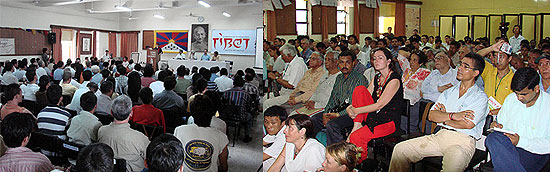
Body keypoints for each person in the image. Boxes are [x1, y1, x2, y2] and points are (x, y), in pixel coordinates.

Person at [389, 53, 489, 172]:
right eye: (460, 64)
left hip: (462, 141)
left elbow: (468, 124)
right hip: (440, 135)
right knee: (400, 150)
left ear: (475, 73)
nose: (460, 68)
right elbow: (432, 116)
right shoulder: (449, 92)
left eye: (465, 66)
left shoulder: (480, 97)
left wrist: (444, 119)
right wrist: (453, 116)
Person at [485, 67, 550, 172]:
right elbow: (502, 124)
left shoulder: (548, 105)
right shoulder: (511, 99)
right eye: (517, 93)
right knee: (493, 138)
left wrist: (520, 142)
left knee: (504, 161)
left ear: (536, 89)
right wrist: (497, 126)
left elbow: (548, 144)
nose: (519, 98)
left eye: (523, 94)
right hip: (507, 147)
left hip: (534, 152)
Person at [345, 48, 404, 162]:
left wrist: (356, 111)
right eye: (374, 58)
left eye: (380, 58)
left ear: (389, 61)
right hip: (375, 116)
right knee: (359, 89)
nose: (376, 61)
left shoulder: (394, 80)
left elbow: (379, 105)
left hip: (388, 121)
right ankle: (357, 125)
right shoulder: (377, 77)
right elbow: (363, 97)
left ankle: (360, 164)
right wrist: (350, 107)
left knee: (356, 137)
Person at [311, 50, 367, 145]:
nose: (344, 65)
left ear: (353, 63)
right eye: (341, 62)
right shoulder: (339, 78)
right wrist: (326, 113)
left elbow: (354, 104)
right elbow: (333, 98)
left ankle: (338, 153)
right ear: (338, 63)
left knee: (332, 125)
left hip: (353, 113)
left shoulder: (359, 78)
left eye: (348, 62)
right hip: (337, 110)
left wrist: (337, 115)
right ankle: (314, 148)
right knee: (314, 119)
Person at [174, 94, 229, 172]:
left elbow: (175, 158)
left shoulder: (179, 130)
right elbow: (224, 167)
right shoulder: (221, 137)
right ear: (213, 112)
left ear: (192, 113)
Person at [98, 95, 150, 172]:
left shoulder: (101, 131)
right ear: (131, 113)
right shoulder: (140, 138)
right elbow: (149, 157)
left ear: (111, 112)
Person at [477, 40, 515, 115]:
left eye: (501, 56)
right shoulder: (489, 70)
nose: (498, 60)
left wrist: (491, 112)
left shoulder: (514, 78)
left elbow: (513, 105)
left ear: (509, 59)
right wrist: (491, 48)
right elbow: (476, 58)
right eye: (495, 56)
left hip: (504, 115)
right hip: (484, 113)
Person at [399, 50, 431, 132]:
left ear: (420, 63)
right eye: (410, 60)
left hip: (414, 103)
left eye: (415, 60)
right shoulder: (407, 70)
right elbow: (400, 54)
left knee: (409, 126)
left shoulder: (425, 72)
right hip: (402, 101)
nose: (411, 62)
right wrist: (413, 54)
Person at [222, 76, 253, 142]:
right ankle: (247, 136)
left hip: (227, 116)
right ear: (242, 84)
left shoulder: (226, 93)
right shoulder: (246, 94)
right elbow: (249, 107)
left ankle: (226, 134)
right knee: (250, 117)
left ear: (233, 83)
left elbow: (222, 105)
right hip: (241, 117)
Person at [263, 106, 288, 171]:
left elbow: (263, 156)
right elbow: (264, 141)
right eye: (266, 122)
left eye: (273, 123)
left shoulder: (284, 137)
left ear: (283, 123)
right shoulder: (276, 130)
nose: (268, 126)